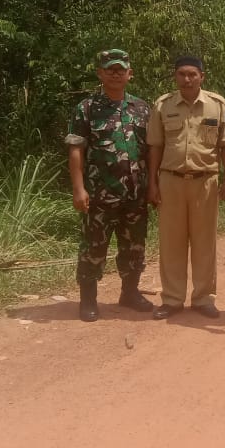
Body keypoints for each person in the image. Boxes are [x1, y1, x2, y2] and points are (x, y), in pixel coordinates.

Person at [65, 48, 153, 322]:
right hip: (99, 194)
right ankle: (88, 299)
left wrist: (153, 186)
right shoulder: (86, 108)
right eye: (110, 69)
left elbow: (151, 150)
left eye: (120, 69)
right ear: (100, 73)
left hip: (135, 194)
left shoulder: (142, 108)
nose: (116, 73)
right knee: (93, 248)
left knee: (134, 247)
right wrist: (78, 189)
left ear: (130, 74)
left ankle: (130, 292)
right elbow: (76, 150)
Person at [146, 56, 225, 320]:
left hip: (205, 181)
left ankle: (204, 298)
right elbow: (155, 146)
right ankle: (172, 299)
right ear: (175, 76)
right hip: (170, 180)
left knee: (204, 243)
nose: (187, 79)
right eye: (182, 74)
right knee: (171, 243)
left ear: (202, 76)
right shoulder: (163, 104)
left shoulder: (218, 105)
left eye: (192, 74)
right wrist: (152, 183)